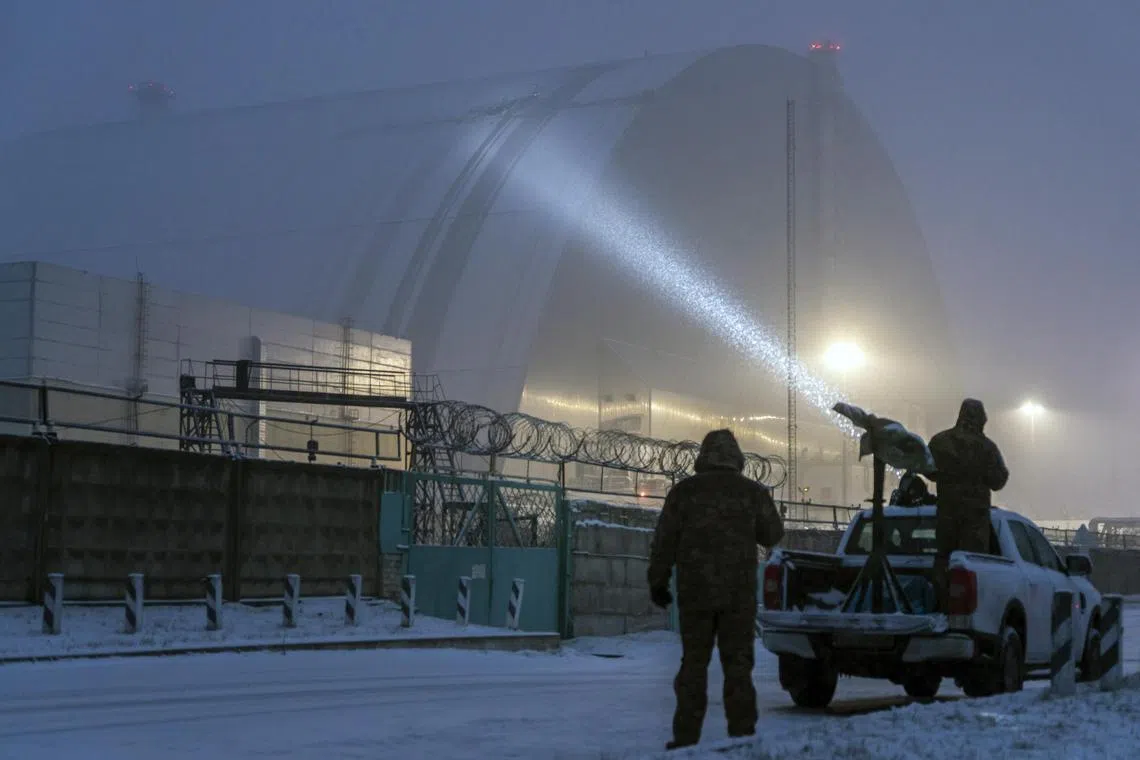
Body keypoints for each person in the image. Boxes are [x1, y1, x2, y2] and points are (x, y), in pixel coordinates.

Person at [646, 429, 785, 751]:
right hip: (739, 596)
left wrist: (658, 581)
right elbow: (772, 534)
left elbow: (664, 541)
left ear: (704, 455)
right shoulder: (752, 493)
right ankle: (743, 736)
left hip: (695, 594)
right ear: (736, 457)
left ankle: (685, 739)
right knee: (738, 667)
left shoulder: (684, 493)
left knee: (693, 664)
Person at [927, 398, 1009, 610]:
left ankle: (939, 604)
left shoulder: (940, 442)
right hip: (975, 521)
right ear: (981, 419)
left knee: (944, 561)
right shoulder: (987, 448)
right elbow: (999, 481)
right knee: (973, 566)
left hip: (945, 516)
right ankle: (969, 612)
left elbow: (928, 471)